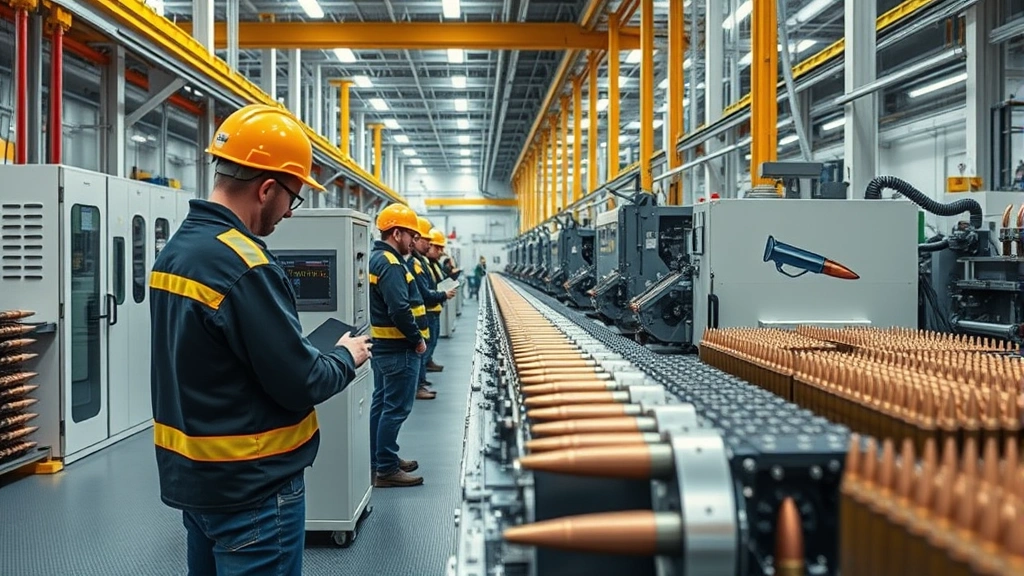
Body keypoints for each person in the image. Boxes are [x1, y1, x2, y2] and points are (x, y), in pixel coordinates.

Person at [149, 104, 373, 576]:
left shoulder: (176, 253)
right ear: (267, 188)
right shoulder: (246, 264)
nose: (290, 211)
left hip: (197, 479)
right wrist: (344, 357)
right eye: (292, 197)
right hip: (253, 487)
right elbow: (301, 382)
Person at [368, 203, 431, 487]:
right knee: (395, 409)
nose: (413, 241)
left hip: (384, 347)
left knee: (382, 405)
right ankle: (386, 469)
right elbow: (399, 309)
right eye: (410, 235)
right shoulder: (391, 264)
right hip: (397, 348)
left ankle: (382, 458)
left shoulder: (377, 259)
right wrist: (417, 340)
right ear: (396, 233)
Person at [409, 218, 456, 398]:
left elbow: (433, 284)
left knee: (428, 346)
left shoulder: (427, 263)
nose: (430, 246)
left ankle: (423, 375)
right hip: (425, 313)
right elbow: (424, 291)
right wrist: (443, 295)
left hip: (430, 311)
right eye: (427, 241)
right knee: (422, 349)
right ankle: (418, 385)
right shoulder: (415, 264)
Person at [424, 229, 454, 373]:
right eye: (438, 247)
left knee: (433, 341)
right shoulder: (422, 264)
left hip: (435, 308)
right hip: (427, 310)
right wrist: (442, 295)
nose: (441, 251)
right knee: (427, 344)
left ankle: (428, 362)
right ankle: (421, 380)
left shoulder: (434, 264)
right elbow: (426, 290)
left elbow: (440, 280)